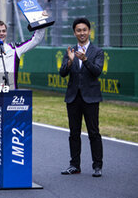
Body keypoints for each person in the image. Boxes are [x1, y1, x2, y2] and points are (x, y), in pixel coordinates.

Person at [0, 17, 47, 175]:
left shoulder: (14, 48)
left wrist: (41, 21)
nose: (1, 34)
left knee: (15, 130)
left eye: (4, 31)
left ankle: (13, 162)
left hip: (14, 96)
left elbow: (37, 39)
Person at [59, 18, 104, 177]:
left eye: (84, 30)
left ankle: (97, 166)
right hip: (73, 98)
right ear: (74, 33)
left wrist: (85, 60)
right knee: (73, 133)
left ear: (89, 31)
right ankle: (74, 165)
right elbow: (62, 73)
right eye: (78, 30)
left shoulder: (97, 52)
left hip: (91, 98)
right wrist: (70, 62)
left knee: (93, 132)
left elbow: (97, 71)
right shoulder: (70, 50)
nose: (82, 33)